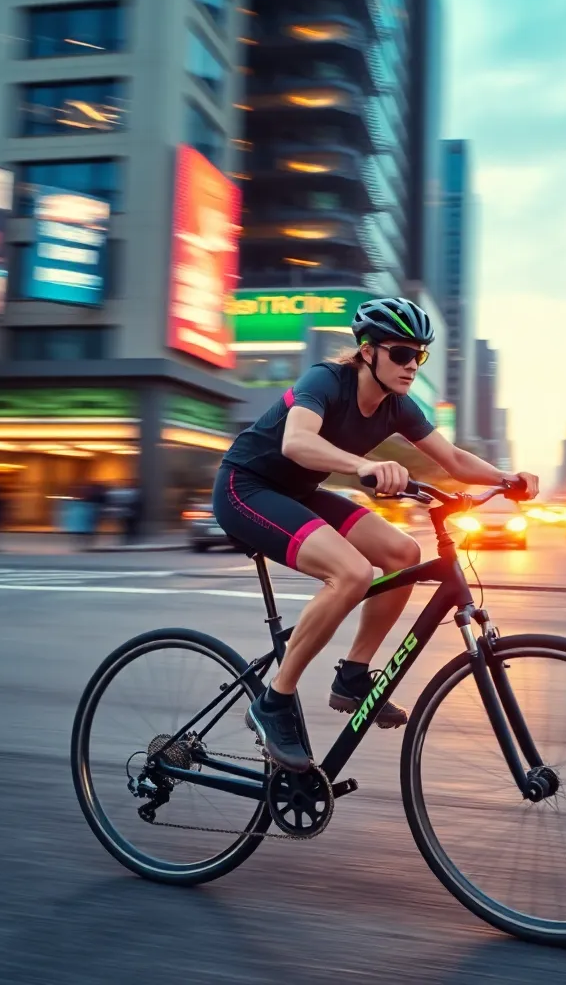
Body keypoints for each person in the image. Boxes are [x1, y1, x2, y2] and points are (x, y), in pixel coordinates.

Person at [212, 297, 539, 772]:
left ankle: (353, 675)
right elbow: (297, 442)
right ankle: (273, 701)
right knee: (351, 573)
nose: (411, 365)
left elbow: (456, 461)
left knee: (404, 553)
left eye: (419, 355)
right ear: (368, 351)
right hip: (246, 487)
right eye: (401, 353)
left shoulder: (399, 407)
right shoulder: (326, 380)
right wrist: (364, 464)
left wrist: (508, 480)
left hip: (298, 492)